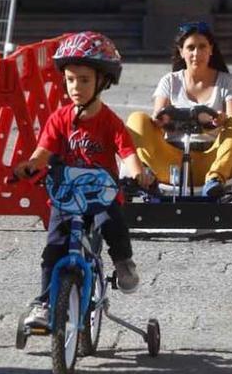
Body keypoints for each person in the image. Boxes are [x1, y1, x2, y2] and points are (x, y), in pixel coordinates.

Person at [13, 31, 154, 328]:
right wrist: (30, 165)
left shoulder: (110, 121)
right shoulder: (59, 118)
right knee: (53, 248)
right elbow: (42, 152)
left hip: (100, 194)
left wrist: (137, 171)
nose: (76, 87)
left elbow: (127, 151)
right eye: (70, 79)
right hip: (66, 195)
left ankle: (123, 262)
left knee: (111, 221)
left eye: (85, 80)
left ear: (103, 81)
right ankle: (44, 303)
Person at [126, 21, 232, 198]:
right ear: (181, 51)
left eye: (202, 47)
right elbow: (157, 116)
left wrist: (221, 120)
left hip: (215, 160)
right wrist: (162, 120)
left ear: (211, 50)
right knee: (137, 118)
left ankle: (215, 179)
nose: (196, 53)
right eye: (190, 48)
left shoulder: (227, 82)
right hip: (171, 163)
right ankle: (145, 175)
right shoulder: (170, 81)